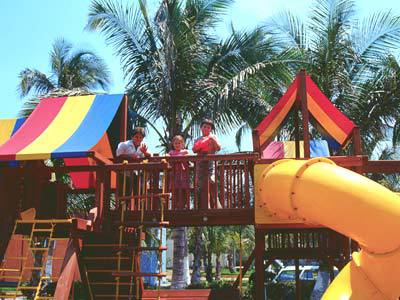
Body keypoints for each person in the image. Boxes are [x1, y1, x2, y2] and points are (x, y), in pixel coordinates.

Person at [192, 119, 221, 208]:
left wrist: (212, 140)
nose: (206, 128)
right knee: (203, 186)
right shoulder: (197, 139)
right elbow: (194, 150)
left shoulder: (213, 137)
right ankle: (207, 205)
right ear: (201, 128)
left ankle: (216, 202)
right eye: (204, 126)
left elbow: (218, 148)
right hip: (200, 166)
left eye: (208, 127)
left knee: (211, 182)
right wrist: (202, 144)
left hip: (210, 164)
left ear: (211, 129)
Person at [168, 135, 190, 209]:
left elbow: (190, 157)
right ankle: (175, 206)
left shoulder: (185, 151)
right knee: (175, 190)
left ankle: (183, 205)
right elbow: (167, 156)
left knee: (184, 190)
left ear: (183, 144)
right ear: (173, 144)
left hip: (183, 174)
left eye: (179, 143)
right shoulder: (171, 152)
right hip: (174, 174)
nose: (177, 145)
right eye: (176, 143)